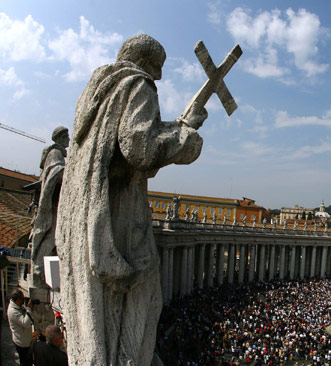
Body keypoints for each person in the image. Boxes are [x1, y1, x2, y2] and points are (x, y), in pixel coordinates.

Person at [56, 34, 207, 365]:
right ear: (146, 63)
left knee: (93, 310)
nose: (161, 78)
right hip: (119, 220)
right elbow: (140, 147)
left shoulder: (99, 91)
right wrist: (188, 141)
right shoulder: (138, 84)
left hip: (85, 218)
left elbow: (129, 144)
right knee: (144, 301)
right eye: (159, 69)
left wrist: (179, 125)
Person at [30, 126, 69, 288]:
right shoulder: (56, 153)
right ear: (60, 138)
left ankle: (41, 266)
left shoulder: (56, 153)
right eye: (66, 136)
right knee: (51, 235)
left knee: (52, 235)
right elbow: (55, 172)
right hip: (52, 204)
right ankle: (39, 267)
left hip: (54, 201)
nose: (69, 139)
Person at [7, 290, 34, 366]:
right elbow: (26, 323)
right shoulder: (13, 311)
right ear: (18, 300)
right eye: (22, 299)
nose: (23, 300)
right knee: (25, 363)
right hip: (22, 343)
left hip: (25, 340)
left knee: (28, 361)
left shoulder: (17, 306)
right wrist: (28, 309)